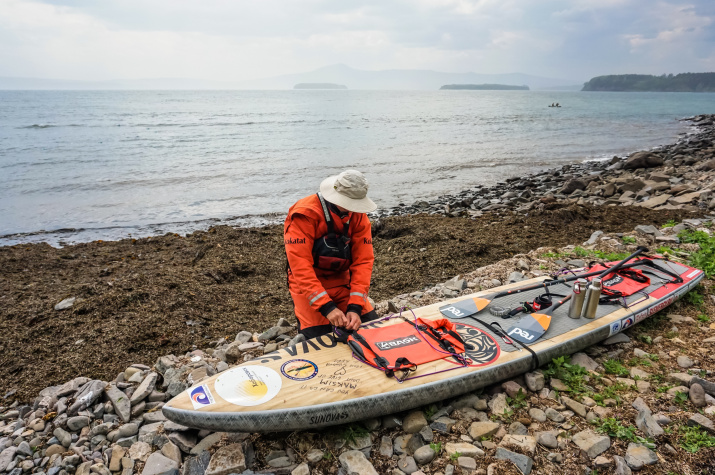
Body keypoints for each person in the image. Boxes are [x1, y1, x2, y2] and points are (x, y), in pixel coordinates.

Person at [284, 170, 378, 339]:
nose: (354, 209)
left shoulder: (358, 216)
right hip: (307, 282)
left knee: (371, 329)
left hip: (342, 279)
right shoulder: (304, 214)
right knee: (318, 339)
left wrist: (355, 307)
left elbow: (363, 262)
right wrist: (327, 307)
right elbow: (300, 266)